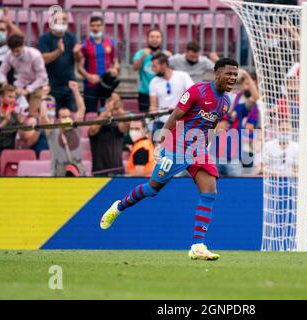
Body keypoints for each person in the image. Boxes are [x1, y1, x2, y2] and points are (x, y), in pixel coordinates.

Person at [100, 57, 239, 261]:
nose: (233, 78)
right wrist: (159, 142)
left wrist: (205, 147)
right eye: (229, 73)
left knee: (209, 190)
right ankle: (118, 207)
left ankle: (197, 245)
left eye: (235, 74)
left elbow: (213, 125)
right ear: (217, 73)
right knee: (152, 189)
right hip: (175, 147)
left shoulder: (225, 101)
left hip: (197, 149)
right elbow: (174, 116)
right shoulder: (197, 91)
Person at [38, 10, 81, 113]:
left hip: (69, 86)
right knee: (51, 115)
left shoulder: (72, 37)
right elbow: (43, 60)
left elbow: (78, 60)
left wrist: (76, 53)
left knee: (72, 117)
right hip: (51, 87)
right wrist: (58, 51)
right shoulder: (44, 38)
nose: (62, 22)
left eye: (65, 19)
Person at [40, 81, 86, 176]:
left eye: (68, 116)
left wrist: (76, 91)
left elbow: (82, 109)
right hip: (59, 171)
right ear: (59, 119)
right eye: (63, 117)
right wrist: (43, 97)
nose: (66, 119)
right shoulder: (53, 130)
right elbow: (44, 117)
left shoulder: (76, 128)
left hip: (77, 169)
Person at [0, 34, 48, 117]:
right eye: (12, 51)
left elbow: (42, 77)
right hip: (21, 84)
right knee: (15, 112)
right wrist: (4, 84)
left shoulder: (35, 55)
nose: (15, 54)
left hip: (38, 85)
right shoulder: (9, 55)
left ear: (23, 45)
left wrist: (27, 90)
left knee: (32, 114)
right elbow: (1, 72)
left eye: (17, 50)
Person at [78, 16, 120, 113]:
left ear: (102, 27)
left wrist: (115, 69)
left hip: (106, 84)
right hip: (90, 85)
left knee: (107, 112)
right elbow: (79, 67)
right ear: (89, 27)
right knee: (90, 114)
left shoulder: (110, 43)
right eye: (93, 25)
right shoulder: (84, 44)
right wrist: (88, 76)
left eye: (98, 25)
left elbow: (116, 62)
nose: (95, 28)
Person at [149, 53, 194, 138]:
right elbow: (153, 105)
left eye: (154, 66)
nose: (152, 69)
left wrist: (178, 108)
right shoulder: (153, 82)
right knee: (157, 149)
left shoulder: (183, 76)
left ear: (163, 65)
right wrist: (152, 115)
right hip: (161, 122)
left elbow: (193, 95)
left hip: (180, 120)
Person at [88, 93, 129, 177]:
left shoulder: (117, 126)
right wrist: (107, 110)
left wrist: (119, 108)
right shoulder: (97, 125)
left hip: (117, 170)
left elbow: (125, 125)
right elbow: (92, 130)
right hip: (99, 171)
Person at [133, 28, 171, 112]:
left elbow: (170, 73)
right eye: (152, 37)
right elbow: (135, 68)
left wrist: (169, 59)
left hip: (162, 93)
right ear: (147, 39)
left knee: (162, 118)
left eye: (157, 37)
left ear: (161, 39)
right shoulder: (140, 53)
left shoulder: (166, 54)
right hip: (145, 93)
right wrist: (143, 56)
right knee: (147, 120)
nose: (154, 39)